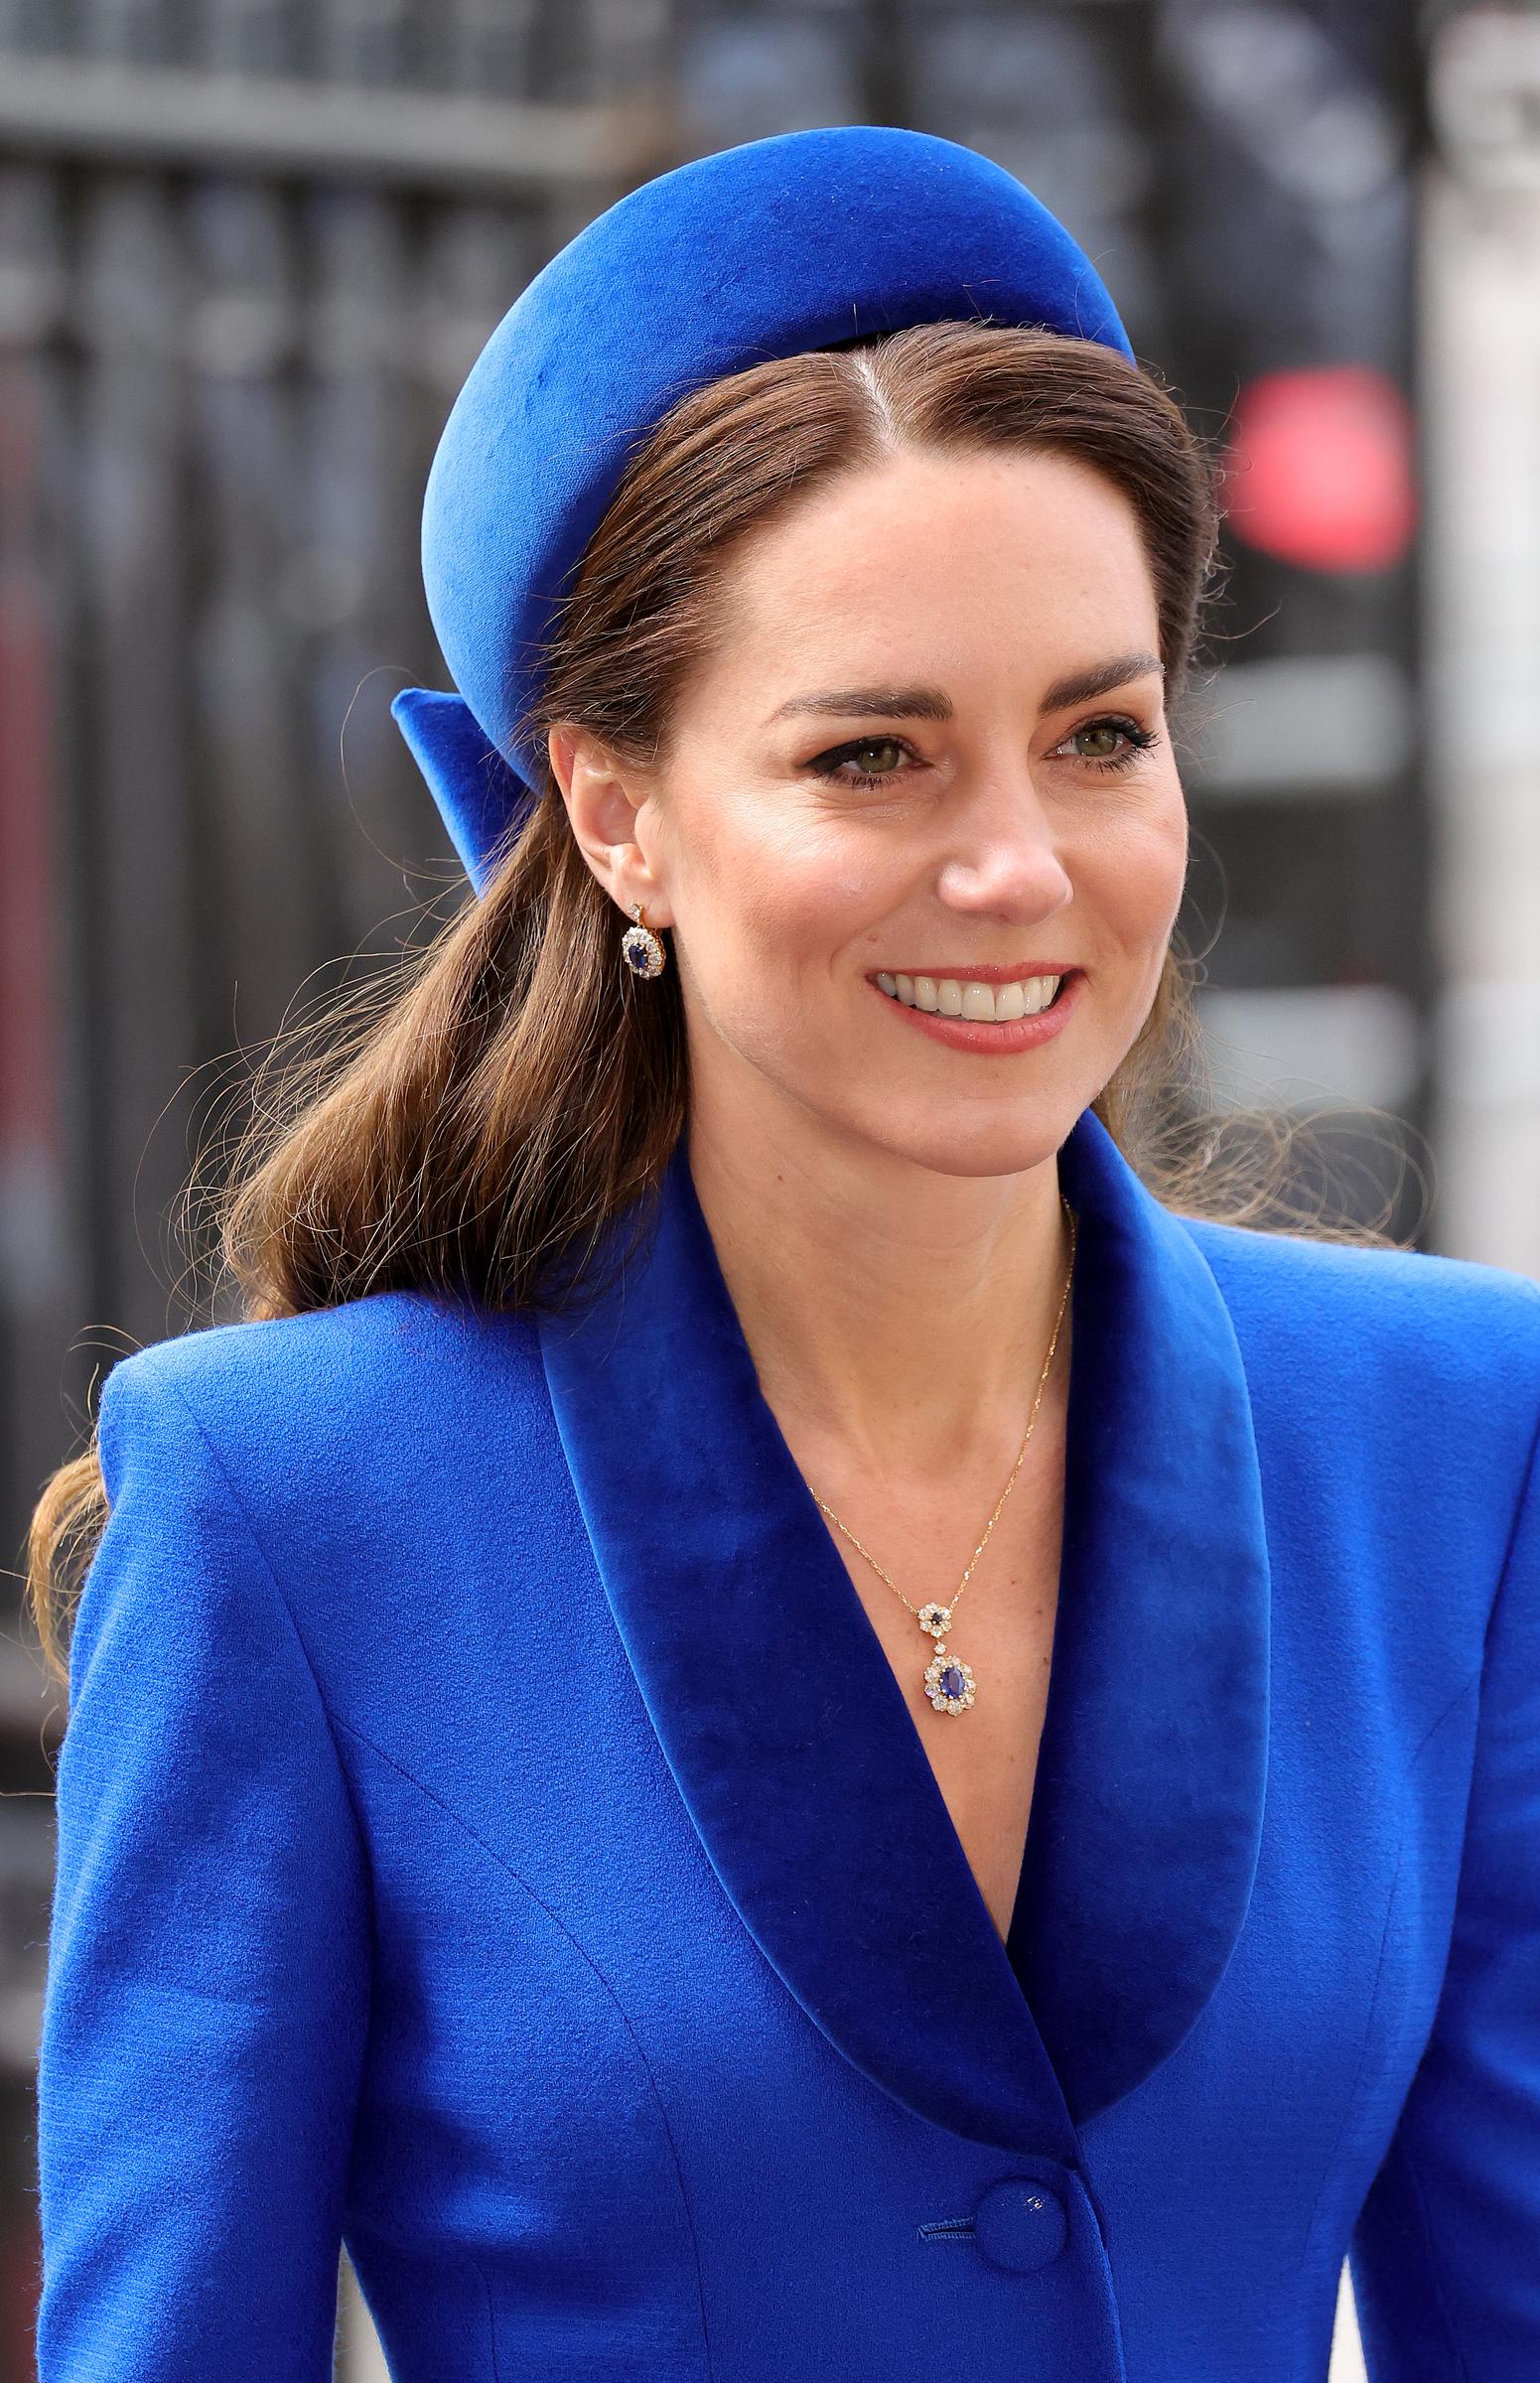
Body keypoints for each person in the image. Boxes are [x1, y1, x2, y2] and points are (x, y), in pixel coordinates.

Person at [28, 124, 1540, 2382]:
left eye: (1096, 735)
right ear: (616, 815)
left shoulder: (1447, 1435)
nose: (1019, 866)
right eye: (872, 758)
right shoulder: (286, 1504)